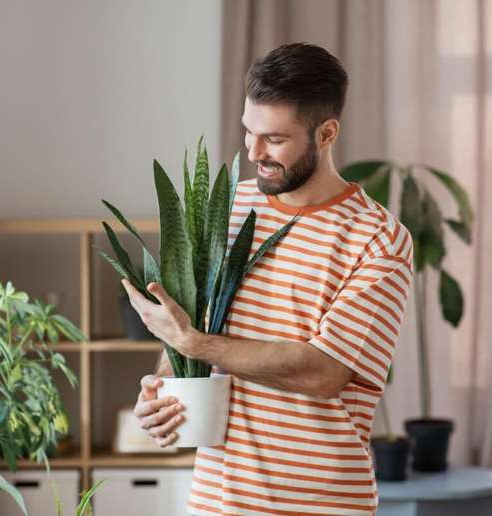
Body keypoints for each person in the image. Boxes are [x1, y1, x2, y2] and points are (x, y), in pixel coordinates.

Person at [124, 42, 413, 516]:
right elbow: (187, 331)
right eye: (248, 132)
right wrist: (163, 390)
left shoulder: (378, 240)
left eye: (275, 139)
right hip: (216, 501)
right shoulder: (229, 209)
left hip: (320, 506)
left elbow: (323, 372)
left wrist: (199, 346)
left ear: (326, 133)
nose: (254, 151)